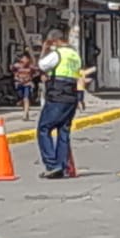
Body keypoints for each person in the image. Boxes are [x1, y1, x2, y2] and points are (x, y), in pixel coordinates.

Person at [36, 29, 83, 178]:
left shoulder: (57, 54)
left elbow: (42, 65)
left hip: (57, 96)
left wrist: (44, 50)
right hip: (71, 96)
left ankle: (52, 165)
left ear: (54, 41)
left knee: (44, 128)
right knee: (63, 131)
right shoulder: (75, 55)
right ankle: (62, 165)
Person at [11, 50, 38, 121]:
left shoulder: (31, 67)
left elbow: (37, 72)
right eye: (23, 58)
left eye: (26, 59)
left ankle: (25, 114)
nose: (25, 60)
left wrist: (31, 77)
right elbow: (12, 70)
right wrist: (16, 76)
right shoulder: (17, 66)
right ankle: (25, 110)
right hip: (19, 84)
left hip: (27, 84)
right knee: (22, 98)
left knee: (26, 98)